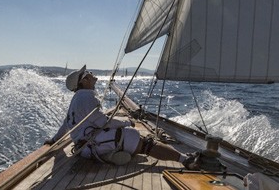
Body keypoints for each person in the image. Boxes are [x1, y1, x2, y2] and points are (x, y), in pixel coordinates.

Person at [45, 65, 200, 169]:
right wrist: (127, 123)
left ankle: (111, 154)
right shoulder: (86, 96)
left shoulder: (77, 98)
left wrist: (53, 140)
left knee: (130, 141)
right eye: (88, 74)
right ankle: (185, 160)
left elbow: (66, 124)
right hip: (91, 145)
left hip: (85, 146)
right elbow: (103, 122)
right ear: (84, 81)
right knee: (142, 141)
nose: (92, 75)